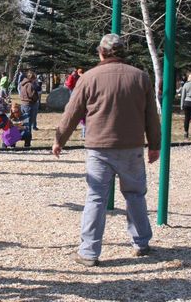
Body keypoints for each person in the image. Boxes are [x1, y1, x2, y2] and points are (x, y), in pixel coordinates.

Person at [52, 33, 161, 267]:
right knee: (135, 195)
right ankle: (141, 242)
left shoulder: (89, 77)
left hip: (99, 148)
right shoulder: (141, 77)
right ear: (123, 52)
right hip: (132, 147)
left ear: (101, 52)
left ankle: (89, 252)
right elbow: (151, 115)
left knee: (96, 199)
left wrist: (60, 139)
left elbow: (72, 112)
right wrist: (155, 145)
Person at [19, 71, 39, 140]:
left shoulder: (22, 84)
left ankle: (23, 135)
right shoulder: (30, 85)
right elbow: (32, 95)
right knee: (29, 123)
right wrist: (36, 98)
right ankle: (28, 138)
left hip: (23, 104)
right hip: (29, 105)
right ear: (32, 78)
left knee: (24, 122)